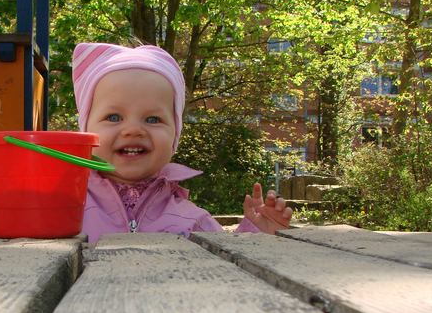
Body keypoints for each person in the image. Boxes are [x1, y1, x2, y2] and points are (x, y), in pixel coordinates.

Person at [72, 42, 292, 242]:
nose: (133, 130)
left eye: (152, 119)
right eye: (113, 117)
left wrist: (257, 234)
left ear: (174, 136)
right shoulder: (65, 206)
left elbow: (228, 259)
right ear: (85, 131)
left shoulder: (192, 220)